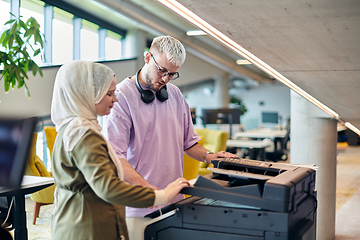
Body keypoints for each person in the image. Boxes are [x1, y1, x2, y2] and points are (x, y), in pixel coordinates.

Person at [104, 35, 237, 239]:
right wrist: (147, 188)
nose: (165, 79)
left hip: (175, 201)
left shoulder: (175, 95)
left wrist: (211, 157)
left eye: (172, 74)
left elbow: (189, 142)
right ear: (148, 57)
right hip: (139, 204)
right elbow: (116, 157)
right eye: (162, 71)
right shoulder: (121, 98)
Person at [50, 61, 190, 240]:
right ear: (88, 94)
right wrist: (162, 195)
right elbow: (108, 187)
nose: (115, 99)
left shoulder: (71, 127)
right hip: (87, 228)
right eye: (109, 94)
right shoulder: (84, 134)